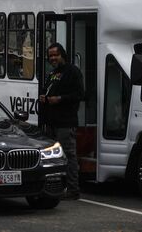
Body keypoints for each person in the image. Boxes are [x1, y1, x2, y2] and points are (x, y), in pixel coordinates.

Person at [39, 42, 85, 200]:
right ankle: (55, 187)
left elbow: (80, 94)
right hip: (51, 123)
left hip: (66, 123)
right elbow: (47, 91)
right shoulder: (52, 74)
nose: (53, 58)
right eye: (50, 55)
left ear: (62, 55)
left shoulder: (73, 72)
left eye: (55, 55)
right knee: (52, 158)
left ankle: (73, 189)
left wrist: (60, 99)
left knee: (68, 155)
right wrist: (44, 98)